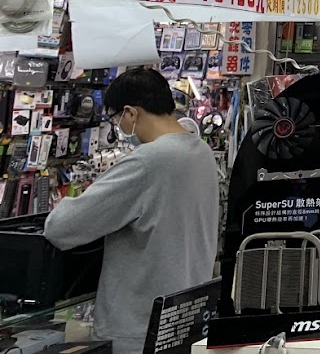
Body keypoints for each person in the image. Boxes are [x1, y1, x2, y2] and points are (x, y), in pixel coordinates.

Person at [44, 67, 220, 354]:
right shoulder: (201, 152)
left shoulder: (148, 162)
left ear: (130, 113)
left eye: (115, 118)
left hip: (138, 330)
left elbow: (60, 227)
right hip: (186, 320)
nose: (118, 127)